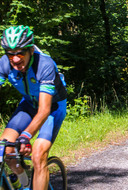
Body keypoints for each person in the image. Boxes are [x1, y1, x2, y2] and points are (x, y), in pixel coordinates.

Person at [0, 25, 67, 189]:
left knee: (38, 155)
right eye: (11, 54)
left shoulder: (44, 64)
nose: (15, 59)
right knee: (5, 149)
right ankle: (25, 180)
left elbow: (44, 110)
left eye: (20, 52)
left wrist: (26, 136)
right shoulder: (4, 63)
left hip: (52, 108)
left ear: (30, 49)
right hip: (29, 105)